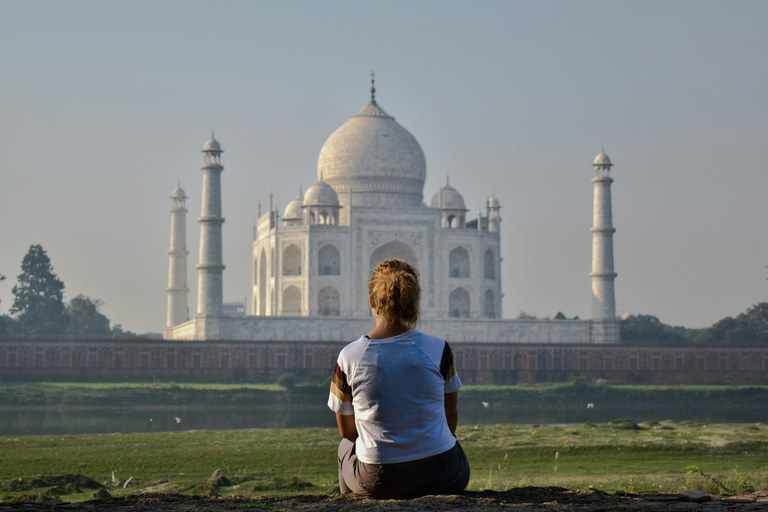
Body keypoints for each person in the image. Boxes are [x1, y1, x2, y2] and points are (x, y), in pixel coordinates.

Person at [327, 259, 470, 499]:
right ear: (414, 301)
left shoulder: (349, 356)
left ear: (372, 301)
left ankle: (349, 504)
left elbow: (348, 432)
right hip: (445, 474)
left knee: (344, 448)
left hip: (380, 480)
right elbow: (451, 415)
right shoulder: (439, 348)